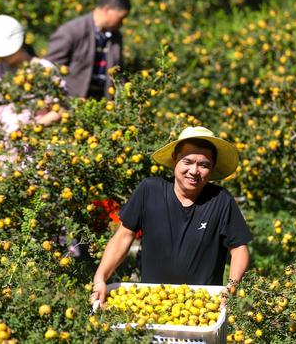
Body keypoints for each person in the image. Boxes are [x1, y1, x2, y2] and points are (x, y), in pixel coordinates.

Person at [91, 126, 252, 304]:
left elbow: (239, 250)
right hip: (150, 303)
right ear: (175, 159)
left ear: (212, 168)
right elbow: (123, 236)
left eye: (204, 164)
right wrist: (100, 277)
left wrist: (231, 288)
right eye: (188, 161)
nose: (194, 171)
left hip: (203, 308)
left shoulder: (221, 200)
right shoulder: (150, 190)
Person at [0, 14, 65, 165]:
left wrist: (34, 128)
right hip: (1, 152)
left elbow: (61, 109)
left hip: (36, 152)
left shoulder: (44, 70)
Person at [45, 0, 130, 100]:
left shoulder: (115, 37)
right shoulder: (71, 31)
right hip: (70, 105)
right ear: (107, 9)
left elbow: (119, 72)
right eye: (121, 18)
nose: (122, 23)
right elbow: (49, 67)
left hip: (102, 106)